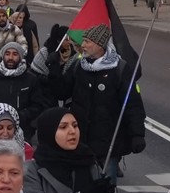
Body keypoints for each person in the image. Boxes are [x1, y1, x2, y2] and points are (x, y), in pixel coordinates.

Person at [57, 24, 146, 184]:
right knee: (81, 183)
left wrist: (137, 134)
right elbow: (62, 91)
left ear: (100, 45)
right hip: (81, 138)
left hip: (108, 141)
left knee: (106, 185)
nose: (83, 45)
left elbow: (132, 104)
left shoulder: (119, 69)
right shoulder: (79, 66)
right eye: (83, 41)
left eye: (87, 42)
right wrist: (54, 70)